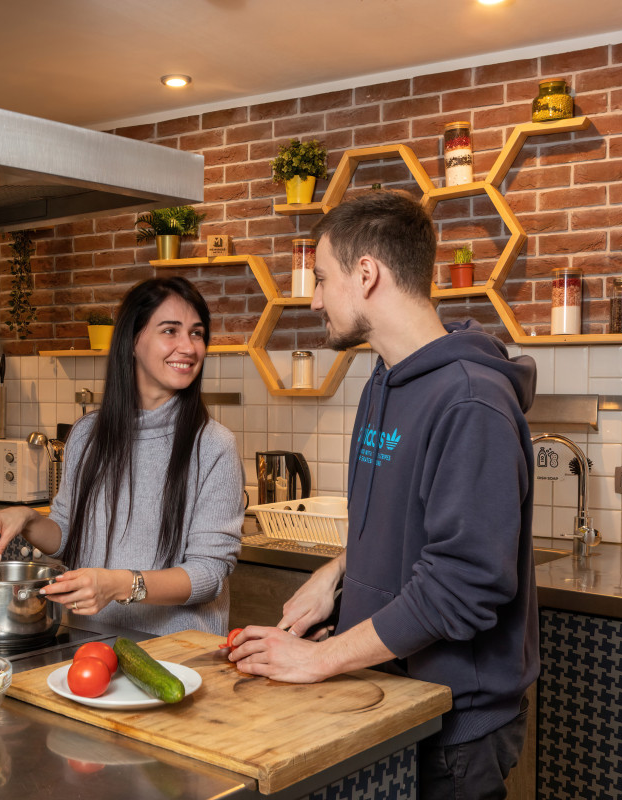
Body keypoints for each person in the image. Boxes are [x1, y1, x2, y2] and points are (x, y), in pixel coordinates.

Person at [229, 192, 538, 800]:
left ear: (366, 274)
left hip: (454, 725)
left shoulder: (472, 402)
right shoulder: (383, 381)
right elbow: (403, 521)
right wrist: (337, 575)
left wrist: (318, 659)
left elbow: (464, 586)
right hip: (390, 697)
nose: (314, 298)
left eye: (322, 278)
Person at [0, 276, 244, 636]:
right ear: (133, 341)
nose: (189, 347)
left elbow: (209, 575)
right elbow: (66, 533)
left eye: (197, 333)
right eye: (170, 331)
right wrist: (26, 520)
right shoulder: (87, 434)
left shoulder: (213, 446)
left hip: (175, 656)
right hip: (89, 641)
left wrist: (120, 585)